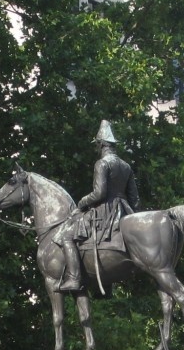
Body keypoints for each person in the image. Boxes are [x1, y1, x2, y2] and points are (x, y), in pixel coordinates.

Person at [60, 119, 140, 292]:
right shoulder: (126, 166)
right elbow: (134, 198)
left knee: (67, 236)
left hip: (105, 211)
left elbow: (99, 193)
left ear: (102, 144)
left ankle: (74, 278)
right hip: (124, 210)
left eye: (97, 144)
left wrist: (82, 202)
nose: (96, 147)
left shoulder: (102, 164)